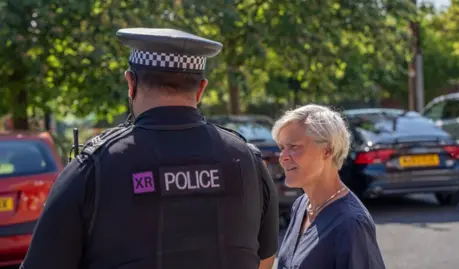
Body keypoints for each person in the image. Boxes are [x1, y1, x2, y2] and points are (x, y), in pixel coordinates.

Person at [20, 28, 279, 269]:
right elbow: (266, 259)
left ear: (131, 83)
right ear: (201, 89)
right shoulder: (248, 160)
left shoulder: (93, 168)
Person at [273, 104, 386, 269]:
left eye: (294, 147)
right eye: (282, 148)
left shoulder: (351, 224)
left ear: (327, 150)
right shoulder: (302, 205)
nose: (283, 157)